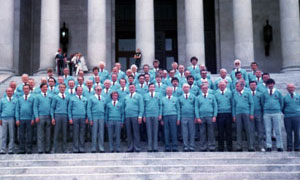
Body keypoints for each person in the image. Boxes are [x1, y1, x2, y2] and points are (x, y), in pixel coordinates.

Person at [261, 78, 283, 152]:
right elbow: (262, 102)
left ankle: (279, 146)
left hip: (276, 113)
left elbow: (281, 102)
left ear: (273, 84)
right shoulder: (264, 93)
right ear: (267, 85)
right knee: (268, 130)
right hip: (267, 113)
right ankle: (268, 146)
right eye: (269, 84)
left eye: (271, 84)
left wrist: (278, 108)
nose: (270, 85)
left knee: (278, 130)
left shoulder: (278, 92)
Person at [232, 81, 254, 152]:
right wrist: (234, 115)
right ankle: (239, 146)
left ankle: (251, 146)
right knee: (238, 130)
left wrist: (251, 113)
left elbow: (251, 104)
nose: (236, 87)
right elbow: (233, 105)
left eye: (237, 86)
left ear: (242, 86)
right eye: (236, 86)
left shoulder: (247, 93)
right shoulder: (235, 94)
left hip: (246, 113)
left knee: (248, 130)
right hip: (238, 113)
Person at [195, 84, 218, 152]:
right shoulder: (198, 97)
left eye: (205, 88)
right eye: (203, 88)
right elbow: (196, 108)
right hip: (201, 117)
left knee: (211, 132)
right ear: (201, 89)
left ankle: (212, 146)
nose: (204, 89)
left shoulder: (212, 96)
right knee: (202, 132)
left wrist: (214, 116)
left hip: (210, 116)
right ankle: (203, 147)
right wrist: (198, 117)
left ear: (207, 88)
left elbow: (215, 106)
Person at [124, 84, 144, 152]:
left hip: (135, 116)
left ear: (135, 88)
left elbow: (141, 106)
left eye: (132, 87)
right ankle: (130, 147)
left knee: (136, 132)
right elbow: (124, 106)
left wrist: (140, 116)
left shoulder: (139, 96)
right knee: (129, 132)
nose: (131, 88)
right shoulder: (126, 96)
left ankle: (137, 147)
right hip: (127, 116)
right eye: (130, 87)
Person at [33, 83, 53, 154]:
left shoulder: (50, 96)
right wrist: (36, 116)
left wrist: (52, 117)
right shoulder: (37, 96)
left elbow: (51, 107)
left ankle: (47, 149)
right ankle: (40, 149)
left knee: (48, 134)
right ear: (41, 88)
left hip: (48, 116)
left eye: (46, 87)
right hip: (40, 116)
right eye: (44, 87)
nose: (45, 89)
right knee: (40, 134)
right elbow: (35, 107)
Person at [15, 84, 35, 154]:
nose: (26, 90)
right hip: (21, 119)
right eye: (25, 89)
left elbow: (34, 109)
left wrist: (33, 118)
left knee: (29, 134)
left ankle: (29, 149)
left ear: (29, 90)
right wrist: (17, 119)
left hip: (29, 119)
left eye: (27, 89)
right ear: (23, 90)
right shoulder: (19, 99)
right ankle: (21, 149)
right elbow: (17, 109)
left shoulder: (32, 98)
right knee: (21, 134)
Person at [51, 83, 70, 153]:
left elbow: (69, 108)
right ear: (59, 88)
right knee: (56, 132)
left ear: (65, 89)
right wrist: (53, 117)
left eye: (63, 87)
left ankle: (64, 149)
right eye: (61, 87)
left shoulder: (67, 97)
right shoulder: (55, 97)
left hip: (65, 115)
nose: (62, 89)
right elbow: (52, 107)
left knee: (64, 133)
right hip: (57, 115)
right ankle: (54, 148)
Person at [68, 86, 88, 153]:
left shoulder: (85, 99)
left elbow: (87, 109)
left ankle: (82, 148)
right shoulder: (72, 99)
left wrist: (87, 118)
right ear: (76, 91)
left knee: (82, 133)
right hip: (75, 117)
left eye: (81, 90)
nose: (79, 91)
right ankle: (75, 148)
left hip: (83, 117)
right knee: (75, 133)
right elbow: (69, 109)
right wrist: (70, 118)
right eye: (78, 90)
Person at [215, 80, 233, 152]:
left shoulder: (229, 93)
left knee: (229, 131)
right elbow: (215, 104)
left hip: (228, 113)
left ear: (225, 85)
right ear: (218, 86)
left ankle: (229, 147)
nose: (222, 86)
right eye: (220, 85)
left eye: (223, 85)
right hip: (219, 114)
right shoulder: (215, 93)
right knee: (220, 132)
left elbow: (232, 103)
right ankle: (220, 147)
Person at [87, 86, 107, 153]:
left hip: (101, 116)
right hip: (94, 116)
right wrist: (90, 119)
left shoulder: (103, 98)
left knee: (101, 133)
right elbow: (88, 109)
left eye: (100, 89)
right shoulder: (91, 98)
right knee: (94, 133)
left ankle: (101, 147)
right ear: (95, 90)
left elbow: (105, 108)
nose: (99, 90)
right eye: (97, 89)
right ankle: (93, 148)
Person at [143, 83, 162, 152]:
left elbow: (160, 105)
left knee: (155, 131)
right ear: (148, 88)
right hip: (148, 115)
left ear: (155, 88)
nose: (151, 88)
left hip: (156, 114)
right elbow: (144, 106)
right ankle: (149, 147)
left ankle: (155, 146)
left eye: (153, 87)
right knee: (149, 131)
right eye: (150, 87)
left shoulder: (158, 95)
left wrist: (160, 114)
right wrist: (144, 115)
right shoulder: (145, 96)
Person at [161, 87, 180, 152]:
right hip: (165, 116)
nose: (169, 92)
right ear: (166, 92)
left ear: (172, 92)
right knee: (166, 132)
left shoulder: (175, 99)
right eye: (168, 91)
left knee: (174, 131)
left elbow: (178, 109)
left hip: (173, 116)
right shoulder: (163, 99)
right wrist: (161, 118)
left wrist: (178, 118)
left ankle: (175, 146)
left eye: (170, 91)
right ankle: (167, 146)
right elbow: (161, 108)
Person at [179, 84, 196, 152]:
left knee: (192, 132)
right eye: (184, 87)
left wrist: (196, 116)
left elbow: (195, 107)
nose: (186, 88)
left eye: (187, 87)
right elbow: (179, 108)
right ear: (182, 89)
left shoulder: (193, 97)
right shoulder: (180, 98)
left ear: (189, 88)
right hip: (183, 117)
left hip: (191, 116)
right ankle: (185, 146)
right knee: (184, 132)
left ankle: (192, 146)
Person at [283, 84, 300, 151]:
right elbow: (282, 107)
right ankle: (289, 146)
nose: (291, 89)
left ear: (294, 88)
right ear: (287, 89)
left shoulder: (298, 96)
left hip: (297, 116)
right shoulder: (285, 98)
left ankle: (297, 146)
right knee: (288, 132)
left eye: (292, 87)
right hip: (287, 117)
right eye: (289, 87)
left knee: (297, 132)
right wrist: (287, 112)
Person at [0, 88, 17, 154]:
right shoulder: (2, 100)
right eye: (8, 91)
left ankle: (11, 149)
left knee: (12, 135)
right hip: (4, 118)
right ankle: (2, 149)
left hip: (12, 118)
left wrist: (16, 119)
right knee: (3, 135)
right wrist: (0, 118)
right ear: (6, 92)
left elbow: (16, 110)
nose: (9, 92)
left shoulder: (15, 100)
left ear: (13, 92)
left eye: (11, 91)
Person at [249, 81, 265, 152]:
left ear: (256, 86)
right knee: (251, 130)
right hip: (250, 114)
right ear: (249, 86)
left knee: (260, 130)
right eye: (251, 85)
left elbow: (262, 104)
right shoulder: (247, 94)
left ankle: (260, 145)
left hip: (258, 113)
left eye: (254, 85)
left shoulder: (260, 94)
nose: (253, 86)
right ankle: (252, 146)